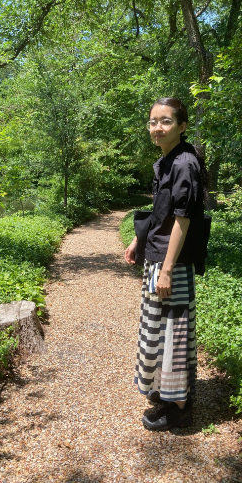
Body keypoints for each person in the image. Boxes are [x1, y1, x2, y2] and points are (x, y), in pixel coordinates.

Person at [124, 97, 207, 431]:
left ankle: (180, 410)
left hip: (173, 262)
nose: (157, 128)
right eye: (152, 122)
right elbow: (162, 212)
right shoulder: (166, 160)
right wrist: (138, 239)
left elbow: (183, 220)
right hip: (157, 256)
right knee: (158, 333)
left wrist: (169, 268)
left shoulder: (185, 162)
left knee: (174, 334)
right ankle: (167, 392)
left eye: (166, 121)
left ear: (182, 126)